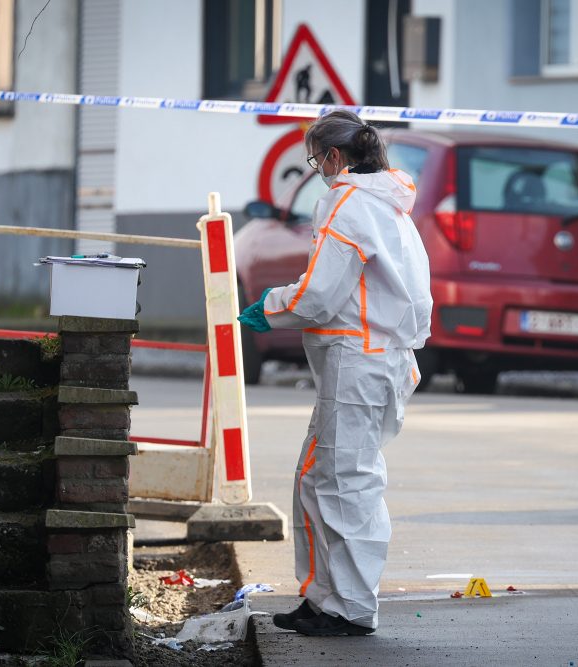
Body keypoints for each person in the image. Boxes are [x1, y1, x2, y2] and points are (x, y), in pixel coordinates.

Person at [237, 110, 432, 636]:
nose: (318, 169)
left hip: (357, 363)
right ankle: (323, 597)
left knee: (346, 487)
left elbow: (320, 295)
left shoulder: (347, 202)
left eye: (315, 159)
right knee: (319, 480)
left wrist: (271, 305)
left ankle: (349, 608)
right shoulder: (390, 207)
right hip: (374, 361)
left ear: (334, 157)